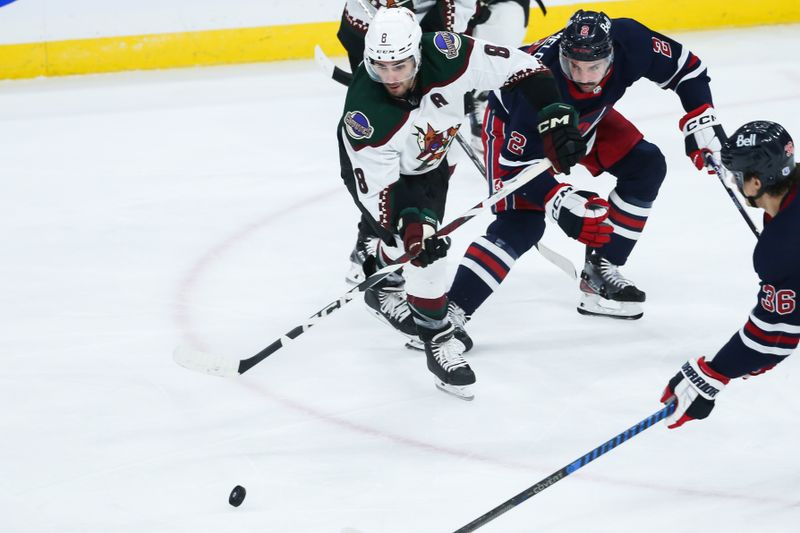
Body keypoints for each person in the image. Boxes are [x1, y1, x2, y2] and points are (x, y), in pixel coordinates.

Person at [337, 6, 586, 398]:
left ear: (418, 54)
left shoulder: (447, 52)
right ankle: (438, 340)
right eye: (381, 68)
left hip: (432, 154)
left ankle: (382, 281)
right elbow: (381, 196)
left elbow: (524, 69)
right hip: (389, 176)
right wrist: (412, 229)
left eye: (400, 66)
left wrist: (553, 114)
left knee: (412, 245)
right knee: (420, 250)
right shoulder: (365, 116)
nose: (391, 79)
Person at [446, 9, 725, 334]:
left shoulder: (631, 42)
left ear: (611, 54)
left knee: (646, 166)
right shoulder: (534, 81)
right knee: (521, 222)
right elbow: (514, 167)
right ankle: (450, 313)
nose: (583, 76)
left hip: (586, 118)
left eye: (593, 66)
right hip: (514, 125)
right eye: (574, 66)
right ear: (563, 54)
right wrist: (558, 200)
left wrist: (701, 116)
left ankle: (600, 270)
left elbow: (688, 70)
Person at [338, 0, 545, 285]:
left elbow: (457, 23)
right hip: (377, 29)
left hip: (432, 30)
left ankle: (411, 227)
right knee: (388, 144)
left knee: (436, 148)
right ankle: (374, 236)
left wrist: (442, 68)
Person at [660, 121, 799, 428]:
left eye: (737, 175)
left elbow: (772, 339)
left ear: (755, 184)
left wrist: (714, 372)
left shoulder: (781, 247)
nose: (733, 182)